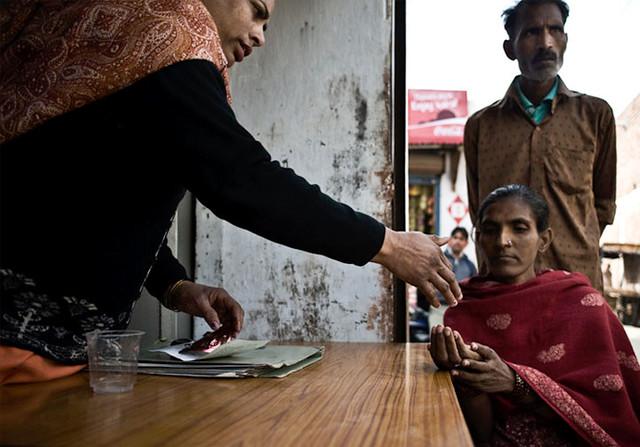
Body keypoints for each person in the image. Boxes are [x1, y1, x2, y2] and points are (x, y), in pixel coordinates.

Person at [0, 0, 462, 384]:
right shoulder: (167, 34)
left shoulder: (144, 48)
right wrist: (390, 245)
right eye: (257, 11)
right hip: (16, 343)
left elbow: (92, 193)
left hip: (56, 351)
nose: (260, 36)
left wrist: (174, 285)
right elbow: (244, 180)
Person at [429, 184, 640, 446]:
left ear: (544, 240)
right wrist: (466, 379)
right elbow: (477, 434)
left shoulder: (583, 303)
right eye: (491, 230)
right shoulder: (463, 310)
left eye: (519, 228)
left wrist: (515, 382)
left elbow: (609, 407)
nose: (503, 240)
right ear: (478, 237)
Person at [464, 0, 617, 291]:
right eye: (532, 32)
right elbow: (478, 209)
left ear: (566, 40)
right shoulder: (481, 125)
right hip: (503, 285)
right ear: (510, 48)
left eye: (555, 30)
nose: (546, 42)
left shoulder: (596, 115)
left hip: (576, 280)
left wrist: (574, 241)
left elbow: (603, 205)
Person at [417, 227, 477, 329]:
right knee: (437, 339)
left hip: (460, 311)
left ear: (466, 243)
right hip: (438, 309)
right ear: (449, 241)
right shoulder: (438, 259)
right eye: (455, 237)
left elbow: (474, 290)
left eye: (461, 239)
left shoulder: (470, 266)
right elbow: (423, 281)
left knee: (458, 341)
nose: (457, 241)